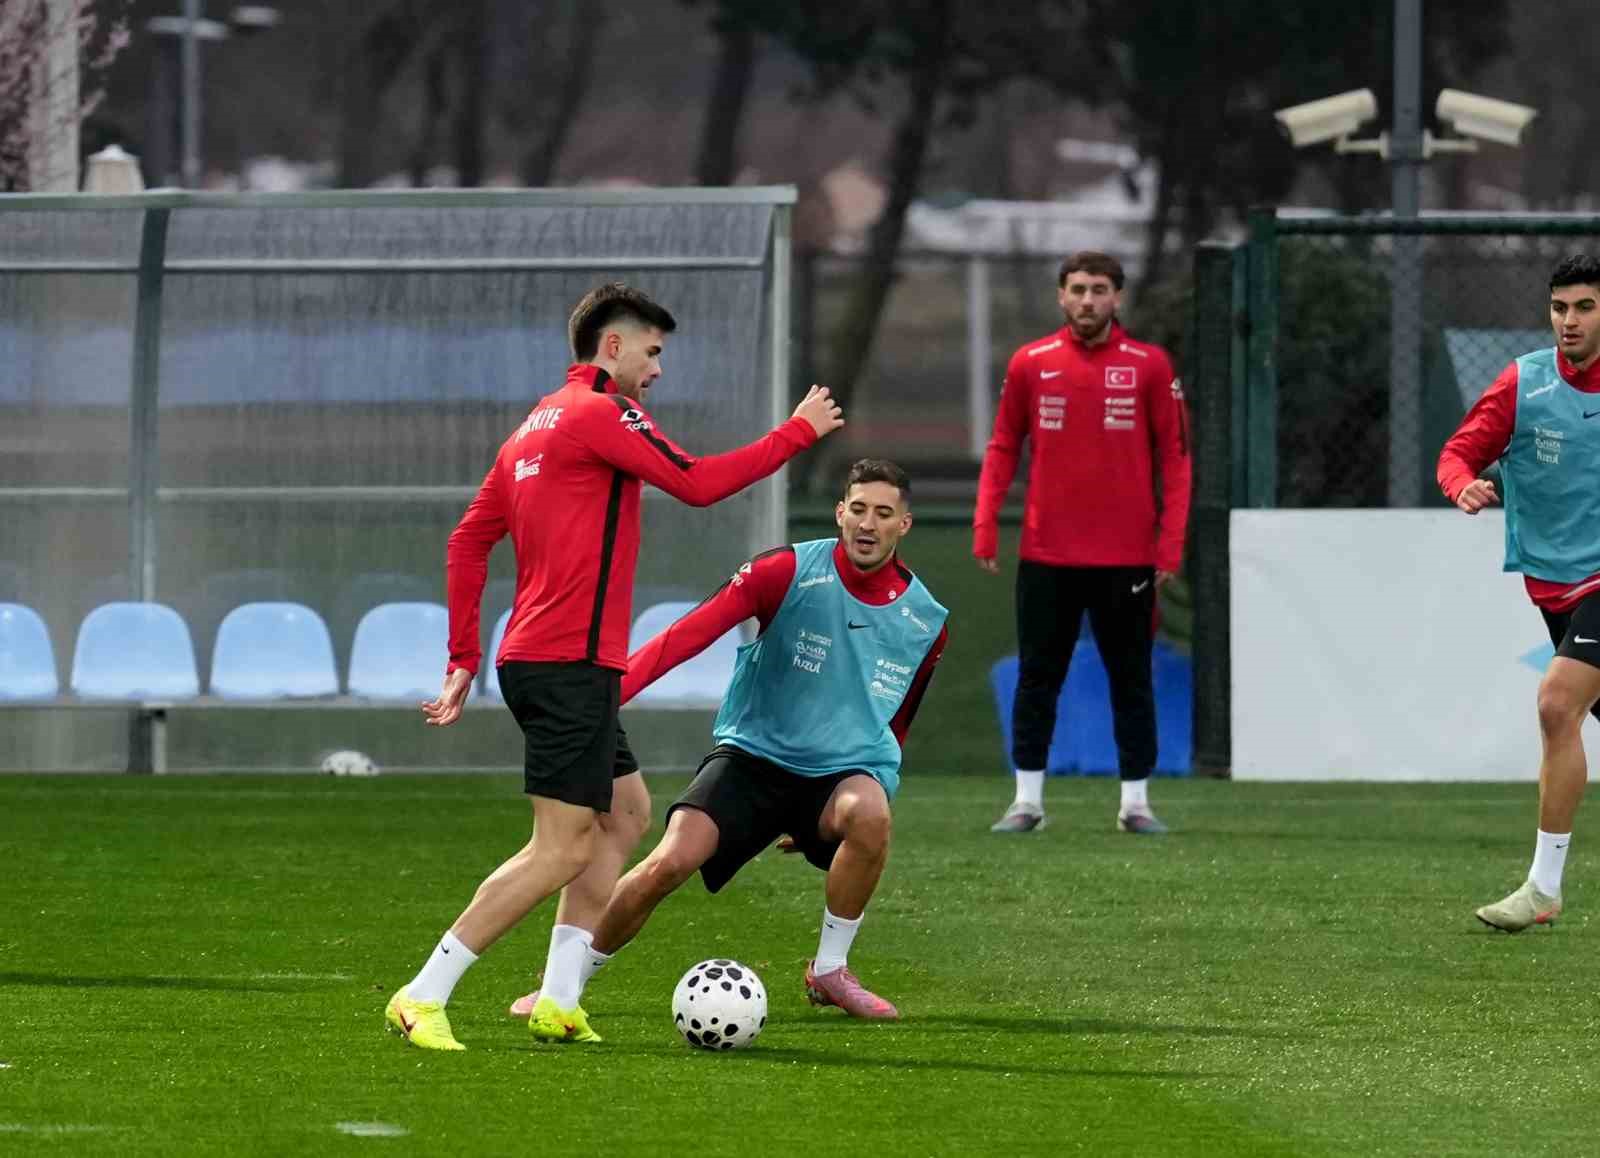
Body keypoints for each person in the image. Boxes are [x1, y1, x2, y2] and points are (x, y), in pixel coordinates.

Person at [384, 283, 844, 1051]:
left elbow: (467, 542)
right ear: (612, 347)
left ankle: (561, 998)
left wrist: (464, 655)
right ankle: (423, 994)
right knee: (559, 846)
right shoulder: (603, 412)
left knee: (625, 815)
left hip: (551, 661)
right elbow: (697, 484)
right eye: (653, 352)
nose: (657, 370)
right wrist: (797, 432)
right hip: (565, 664)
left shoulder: (531, 427)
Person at [522, 459, 948, 1030]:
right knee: (668, 863)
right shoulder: (787, 571)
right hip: (752, 758)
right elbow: (687, 635)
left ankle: (829, 970)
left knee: (871, 813)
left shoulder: (926, 620)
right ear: (839, 512)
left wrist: (850, 799)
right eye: (859, 510)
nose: (868, 524)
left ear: (905, 525)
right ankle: (563, 984)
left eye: (884, 513)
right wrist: (606, 698)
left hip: (841, 774)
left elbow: (897, 723)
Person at [975, 250, 1192, 835]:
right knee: (1038, 676)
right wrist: (985, 521)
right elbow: (1002, 446)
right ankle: (1026, 803)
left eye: (1099, 289)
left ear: (1117, 297)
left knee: (1132, 678)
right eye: (1077, 289)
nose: (1088, 300)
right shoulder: (1030, 363)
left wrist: (1168, 547)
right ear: (1061, 296)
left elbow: (1175, 460)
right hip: (1048, 553)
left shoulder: (1149, 365)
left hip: (1127, 557)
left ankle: (1135, 805)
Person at [1438, 254, 1600, 932]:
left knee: (1556, 702)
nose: (1569, 320)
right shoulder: (1523, 382)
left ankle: (1542, 888)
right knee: (1563, 712)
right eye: (1560, 307)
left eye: (1585, 307)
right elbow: (1457, 452)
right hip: (1553, 585)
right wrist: (1462, 486)